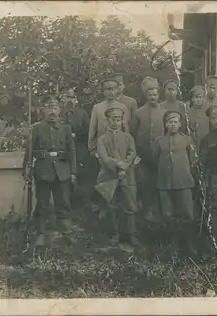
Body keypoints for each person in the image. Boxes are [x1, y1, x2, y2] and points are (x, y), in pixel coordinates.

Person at [22, 96, 79, 247]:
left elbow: (71, 152)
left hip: (62, 170)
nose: (52, 112)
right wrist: (26, 170)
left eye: (55, 108)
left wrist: (73, 172)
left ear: (59, 110)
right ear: (44, 110)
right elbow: (28, 152)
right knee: (42, 204)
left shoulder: (66, 129)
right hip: (43, 170)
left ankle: (67, 232)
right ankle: (41, 233)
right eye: (49, 108)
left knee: (63, 203)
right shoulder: (36, 129)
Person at [153, 110, 198, 258]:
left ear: (180, 124)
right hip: (164, 183)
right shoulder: (159, 141)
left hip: (183, 182)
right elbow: (155, 159)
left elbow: (193, 161)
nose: (172, 124)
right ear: (165, 124)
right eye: (169, 122)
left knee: (187, 214)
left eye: (175, 122)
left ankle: (190, 245)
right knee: (168, 215)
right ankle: (174, 245)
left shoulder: (186, 140)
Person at [96, 107, 141, 252]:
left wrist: (125, 167)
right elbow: (104, 158)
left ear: (122, 120)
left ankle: (131, 235)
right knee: (112, 205)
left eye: (118, 119)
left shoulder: (128, 137)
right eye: (113, 119)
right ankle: (115, 234)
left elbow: (132, 153)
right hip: (109, 175)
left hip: (127, 176)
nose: (116, 122)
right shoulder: (102, 139)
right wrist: (117, 165)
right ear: (107, 120)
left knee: (130, 205)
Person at [130, 78, 165, 223]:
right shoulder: (138, 113)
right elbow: (132, 133)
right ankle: (144, 212)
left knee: (160, 182)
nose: (152, 97)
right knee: (144, 183)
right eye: (150, 94)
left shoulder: (165, 112)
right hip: (143, 155)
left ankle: (158, 212)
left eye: (155, 94)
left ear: (158, 95)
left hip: (159, 155)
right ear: (146, 95)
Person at [59, 87, 92, 206]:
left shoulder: (82, 113)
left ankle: (82, 208)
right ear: (63, 98)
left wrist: (76, 137)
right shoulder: (58, 113)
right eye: (67, 97)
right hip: (62, 151)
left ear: (76, 99)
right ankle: (66, 207)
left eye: (72, 97)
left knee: (80, 179)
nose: (69, 100)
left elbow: (88, 132)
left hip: (79, 150)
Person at [88, 77, 130, 156]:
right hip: (102, 148)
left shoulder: (123, 107)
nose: (111, 92)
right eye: (108, 89)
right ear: (103, 91)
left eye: (113, 89)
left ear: (117, 90)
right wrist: (92, 149)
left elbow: (126, 130)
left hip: (119, 148)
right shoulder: (97, 108)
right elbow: (92, 130)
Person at [187, 85, 210, 149]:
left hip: (207, 141)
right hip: (194, 142)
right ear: (192, 99)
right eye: (196, 97)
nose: (198, 99)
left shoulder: (209, 110)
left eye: (200, 97)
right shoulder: (189, 112)